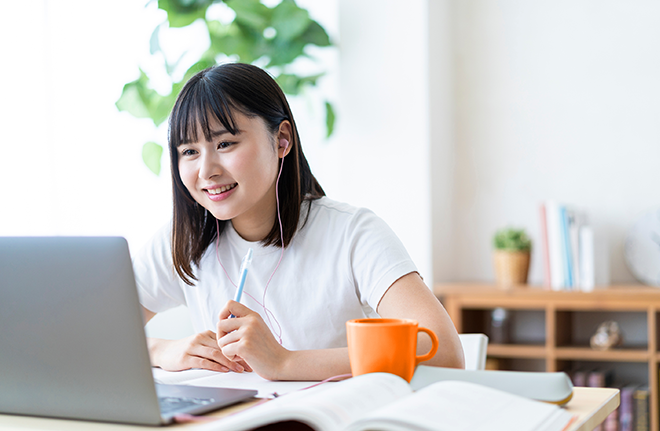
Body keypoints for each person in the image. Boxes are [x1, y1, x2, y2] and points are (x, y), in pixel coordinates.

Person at [134, 63, 464, 381]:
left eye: (225, 144)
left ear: (282, 140)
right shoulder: (185, 240)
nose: (206, 171)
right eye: (189, 151)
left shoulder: (352, 233)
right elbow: (90, 335)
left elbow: (444, 352)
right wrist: (163, 351)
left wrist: (285, 361)